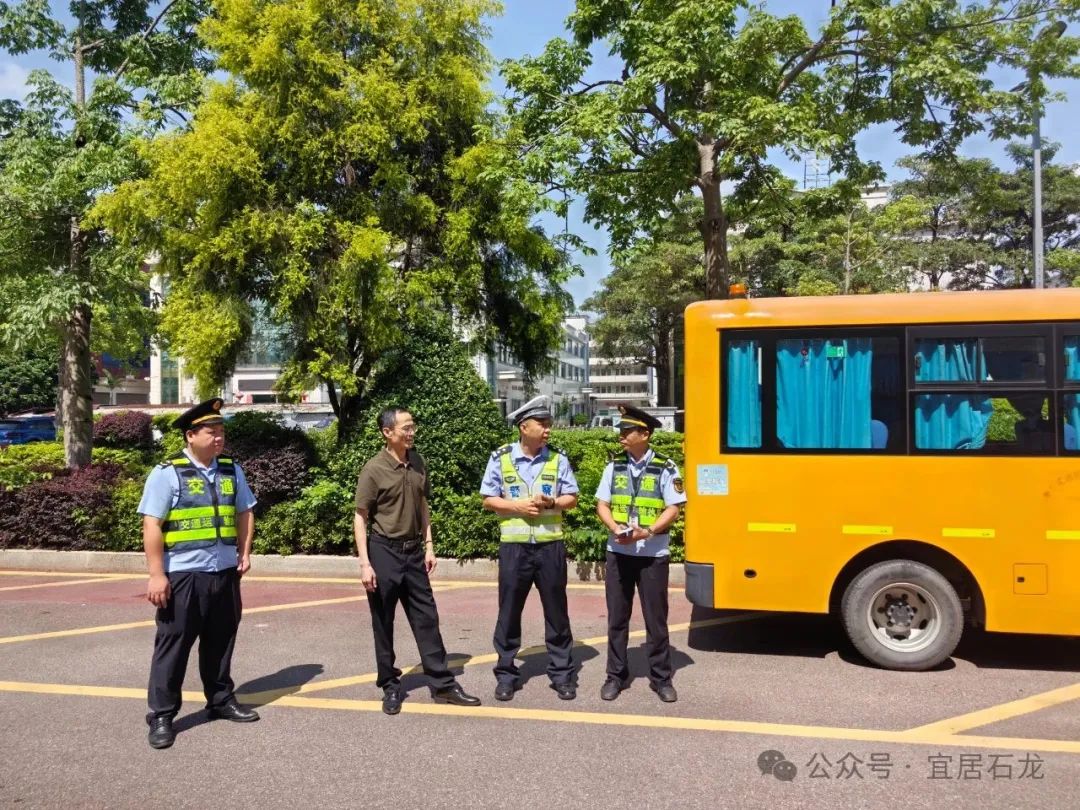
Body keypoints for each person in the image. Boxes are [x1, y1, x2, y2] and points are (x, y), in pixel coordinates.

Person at [138, 397, 260, 749]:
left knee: (221, 641)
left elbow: (245, 511)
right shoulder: (168, 473)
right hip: (183, 577)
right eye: (212, 431)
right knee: (173, 647)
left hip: (223, 572)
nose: (219, 437)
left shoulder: (230, 469)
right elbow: (152, 525)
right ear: (191, 435)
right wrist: (156, 574)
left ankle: (220, 700)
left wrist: (244, 552)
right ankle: (161, 715)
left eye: (221, 431)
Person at [354, 407, 480, 715]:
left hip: (413, 552)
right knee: (383, 621)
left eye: (413, 427)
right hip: (383, 551)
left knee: (427, 617)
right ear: (388, 432)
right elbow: (360, 517)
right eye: (405, 428)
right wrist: (365, 563)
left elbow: (423, 506)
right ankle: (390, 685)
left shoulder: (418, 462)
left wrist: (429, 545)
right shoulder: (373, 469)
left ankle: (443, 684)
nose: (412, 433)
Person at [480, 395, 579, 701]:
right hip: (515, 549)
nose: (548, 429)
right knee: (509, 613)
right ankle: (507, 673)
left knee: (557, 613)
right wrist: (517, 506)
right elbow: (488, 499)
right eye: (542, 424)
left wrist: (553, 502)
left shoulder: (558, 459)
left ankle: (562, 674)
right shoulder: (500, 458)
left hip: (550, 548)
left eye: (549, 424)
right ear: (524, 427)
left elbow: (572, 498)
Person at [594, 405, 686, 703]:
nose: (620, 435)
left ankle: (661, 678)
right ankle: (615, 676)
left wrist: (646, 533)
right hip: (619, 552)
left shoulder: (665, 466)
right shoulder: (613, 466)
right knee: (617, 620)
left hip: (652, 554)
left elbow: (673, 508)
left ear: (644, 434)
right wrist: (615, 528)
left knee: (655, 620)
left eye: (626, 431)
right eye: (621, 431)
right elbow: (602, 505)